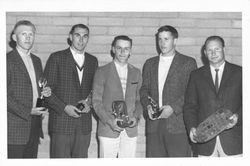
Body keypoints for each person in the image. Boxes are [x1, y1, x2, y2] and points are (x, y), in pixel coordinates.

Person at [140, 25, 197, 157]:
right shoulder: (149, 63)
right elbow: (144, 90)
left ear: (175, 41)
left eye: (166, 39)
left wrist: (173, 108)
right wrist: (147, 106)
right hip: (154, 126)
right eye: (159, 39)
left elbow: (191, 92)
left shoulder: (188, 62)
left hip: (178, 125)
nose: (162, 43)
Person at [44, 24, 98, 158]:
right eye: (77, 35)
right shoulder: (56, 57)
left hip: (83, 124)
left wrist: (89, 103)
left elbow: (95, 89)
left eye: (85, 36)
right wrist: (64, 107)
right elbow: (46, 90)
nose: (81, 40)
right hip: (61, 122)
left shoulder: (92, 60)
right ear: (70, 37)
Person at [183, 36, 242, 157]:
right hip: (205, 143)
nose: (213, 53)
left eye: (217, 49)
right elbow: (190, 106)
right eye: (210, 50)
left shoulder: (240, 73)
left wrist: (238, 117)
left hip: (234, 141)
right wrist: (192, 127)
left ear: (224, 50)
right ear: (205, 53)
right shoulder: (196, 75)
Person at [92, 35, 142, 158]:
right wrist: (110, 121)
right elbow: (96, 102)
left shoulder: (136, 72)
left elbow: (139, 101)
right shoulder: (102, 71)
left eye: (126, 48)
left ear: (130, 51)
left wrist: (136, 118)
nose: (122, 52)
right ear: (113, 49)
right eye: (119, 48)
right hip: (108, 129)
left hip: (130, 130)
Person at [7, 20, 51, 158]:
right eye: (23, 34)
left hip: (35, 124)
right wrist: (28, 110)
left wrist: (46, 92)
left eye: (31, 34)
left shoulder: (37, 60)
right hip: (15, 127)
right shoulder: (6, 60)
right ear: (15, 37)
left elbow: (38, 86)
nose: (27, 37)